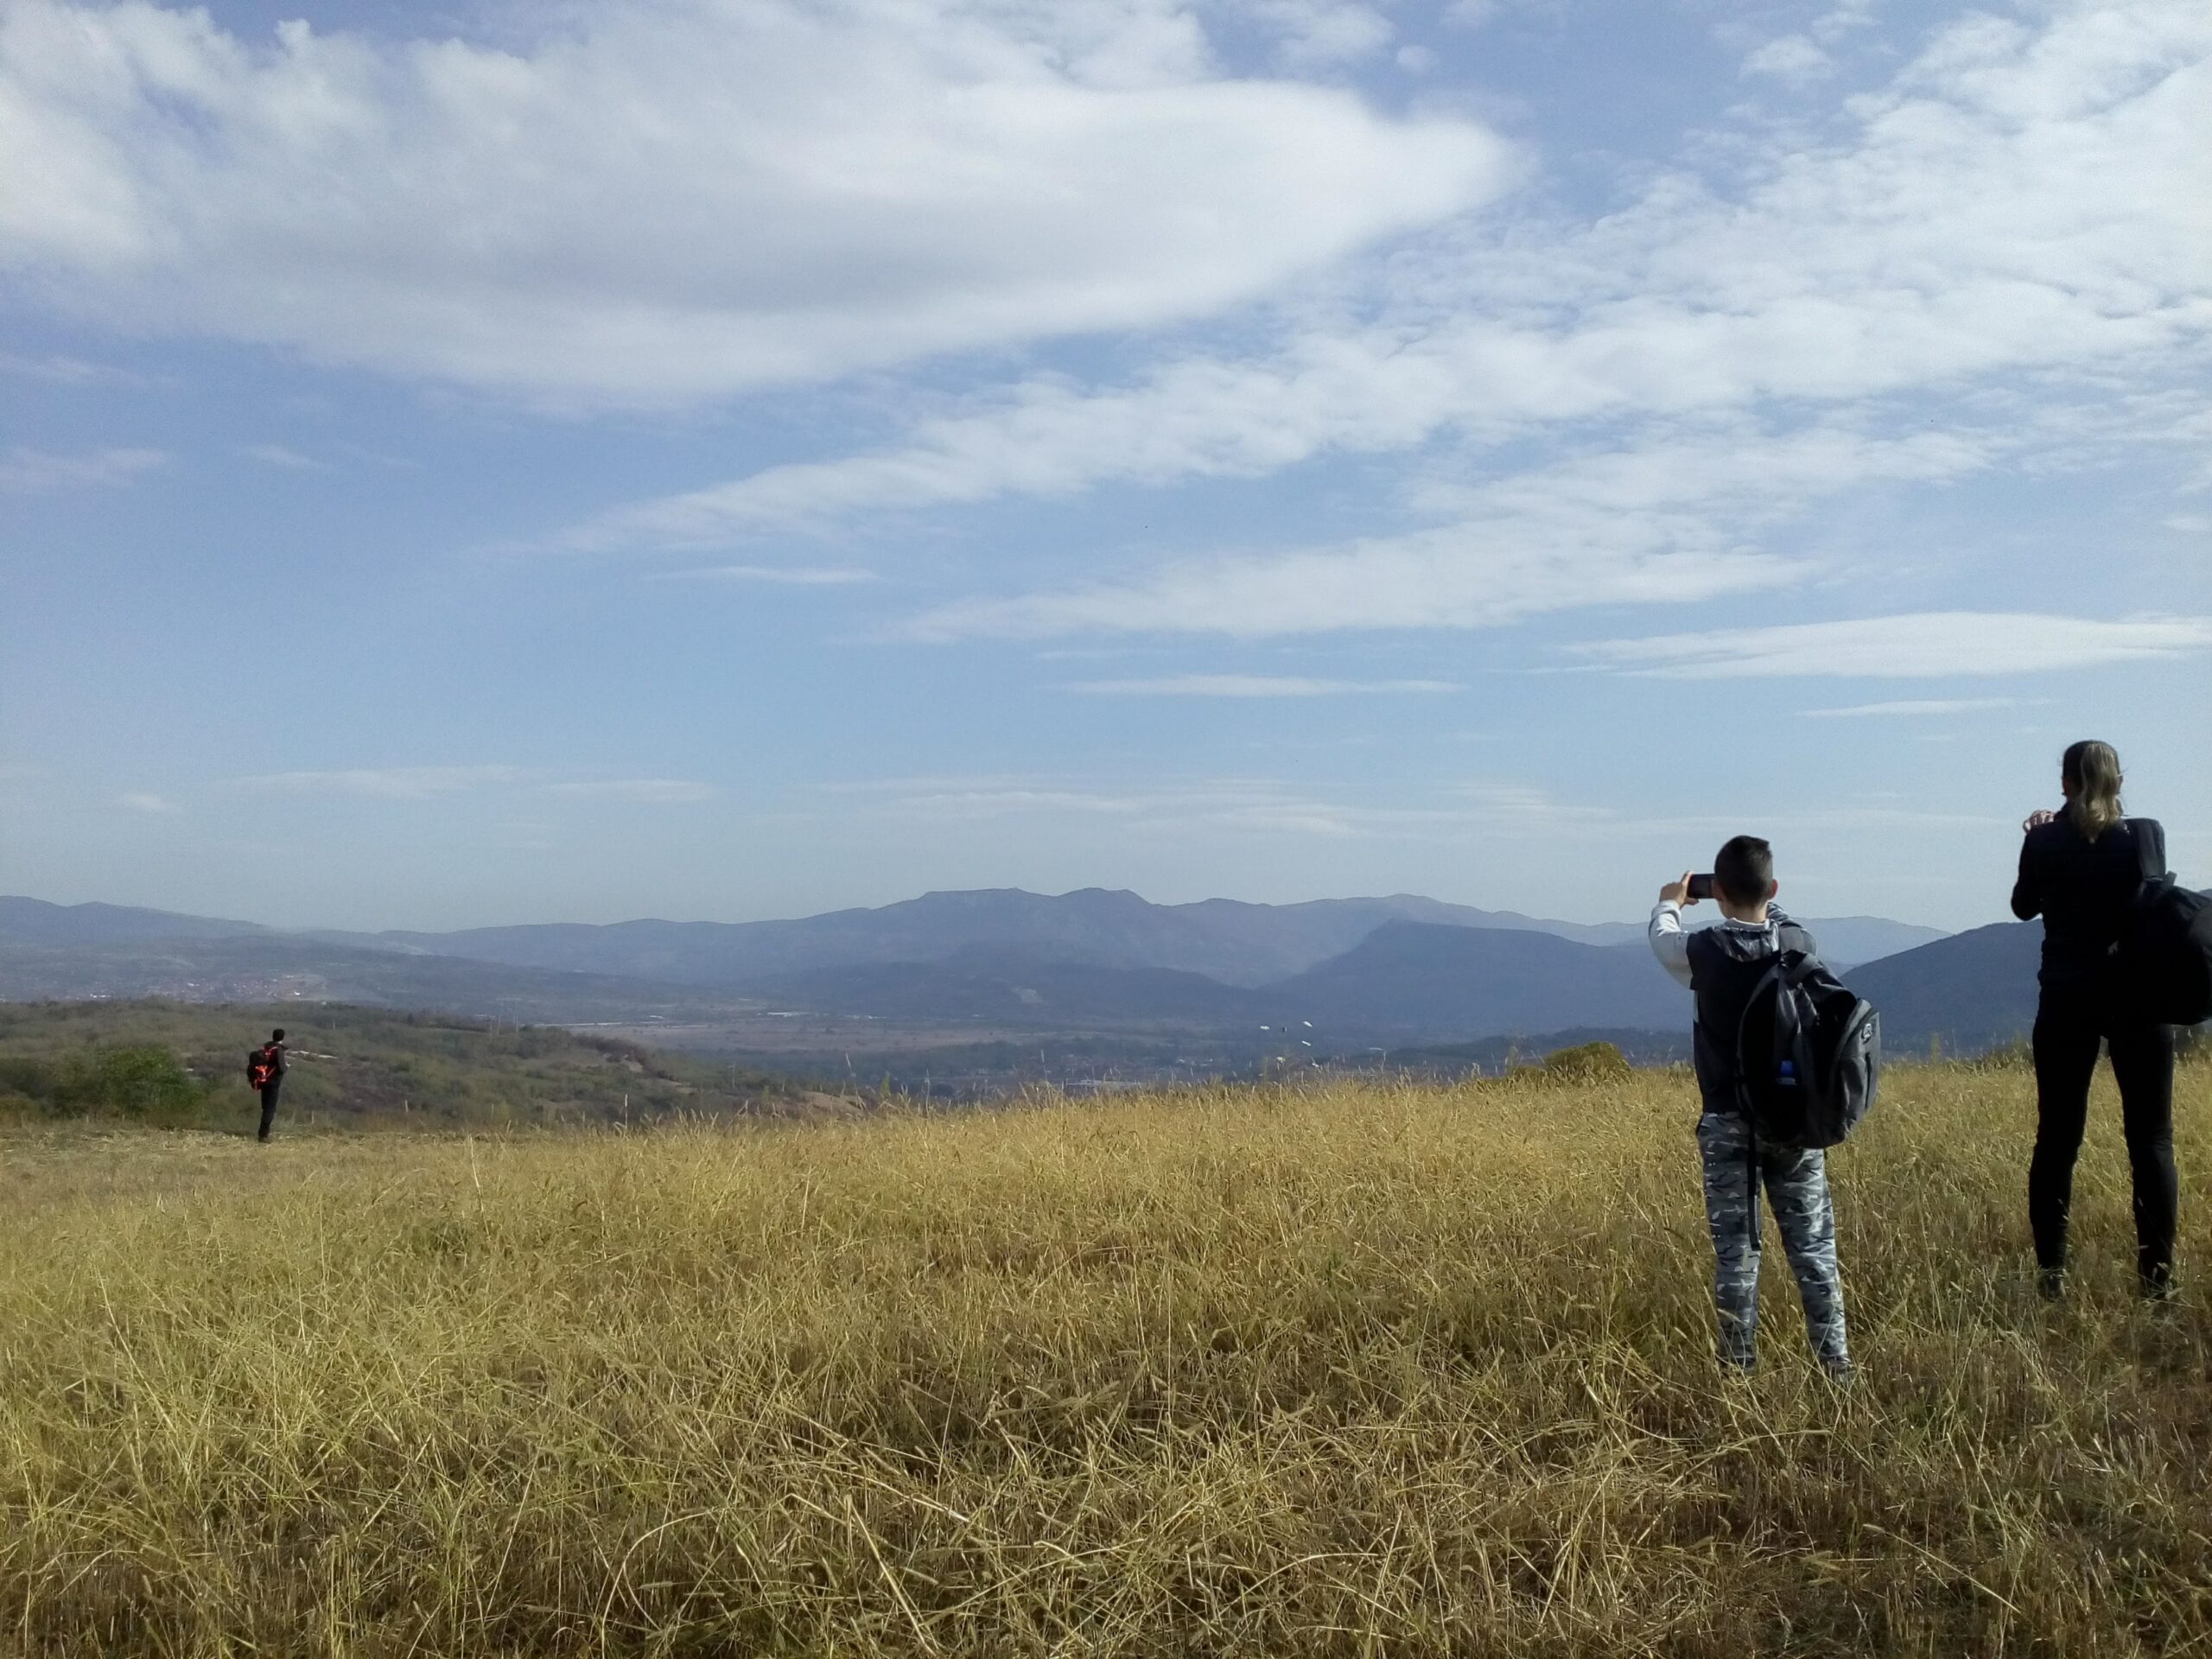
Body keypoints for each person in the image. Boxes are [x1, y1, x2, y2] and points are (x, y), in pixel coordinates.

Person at [1649, 836, 1851, 1378]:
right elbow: (1777, 920)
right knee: (1813, 1247)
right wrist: (1766, 902)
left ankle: (1738, 1372)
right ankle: (1835, 1366)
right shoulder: (1799, 942)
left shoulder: (1705, 951)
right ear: (1774, 889)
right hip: (1795, 1120)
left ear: (1718, 896)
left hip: (1727, 1124)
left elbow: (1662, 937)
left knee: (1737, 1256)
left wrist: (1671, 900)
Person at [2012, 740, 2175, 1300]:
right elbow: (2154, 894)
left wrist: (2044, 829)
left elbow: (2022, 905)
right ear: (2118, 779)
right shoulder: (2145, 834)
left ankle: (2052, 1275)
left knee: (2057, 1139)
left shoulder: (2044, 838)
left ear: (2065, 784)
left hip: (2066, 996)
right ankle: (2156, 1282)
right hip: (2140, 995)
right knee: (2150, 1140)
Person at [253, 1027, 288, 1143]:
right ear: (282, 1037)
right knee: (270, 1109)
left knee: (265, 1107)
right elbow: (282, 1068)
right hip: (273, 1083)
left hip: (263, 1081)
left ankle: (262, 1132)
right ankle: (263, 1135)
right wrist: (287, 1066)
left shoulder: (266, 1048)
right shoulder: (278, 1050)